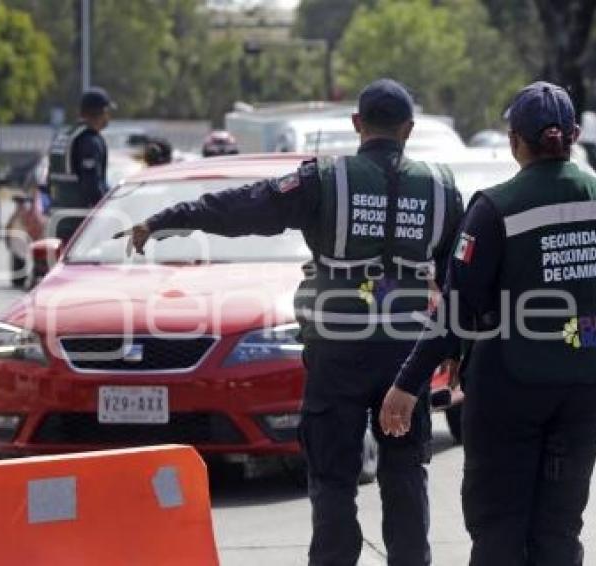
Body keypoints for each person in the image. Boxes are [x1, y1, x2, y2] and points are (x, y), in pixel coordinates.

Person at [116, 78, 464, 566]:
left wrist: (166, 219)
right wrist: (456, 349)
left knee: (333, 480)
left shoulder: (324, 178)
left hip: (338, 351)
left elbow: (242, 208)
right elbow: (458, 279)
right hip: (406, 358)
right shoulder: (442, 188)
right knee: (405, 474)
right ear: (408, 129)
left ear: (356, 125)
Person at [380, 81, 596, 566]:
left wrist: (407, 382)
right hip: (588, 385)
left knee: (499, 523)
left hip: (510, 385)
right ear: (575, 135)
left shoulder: (496, 208)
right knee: (560, 527)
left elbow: (456, 307)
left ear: (515, 140)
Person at [46, 86, 114, 241]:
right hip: (81, 224)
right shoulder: (89, 140)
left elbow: (50, 181)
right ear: (102, 112)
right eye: (108, 112)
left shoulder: (64, 137)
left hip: (58, 220)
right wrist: (108, 210)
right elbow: (92, 185)